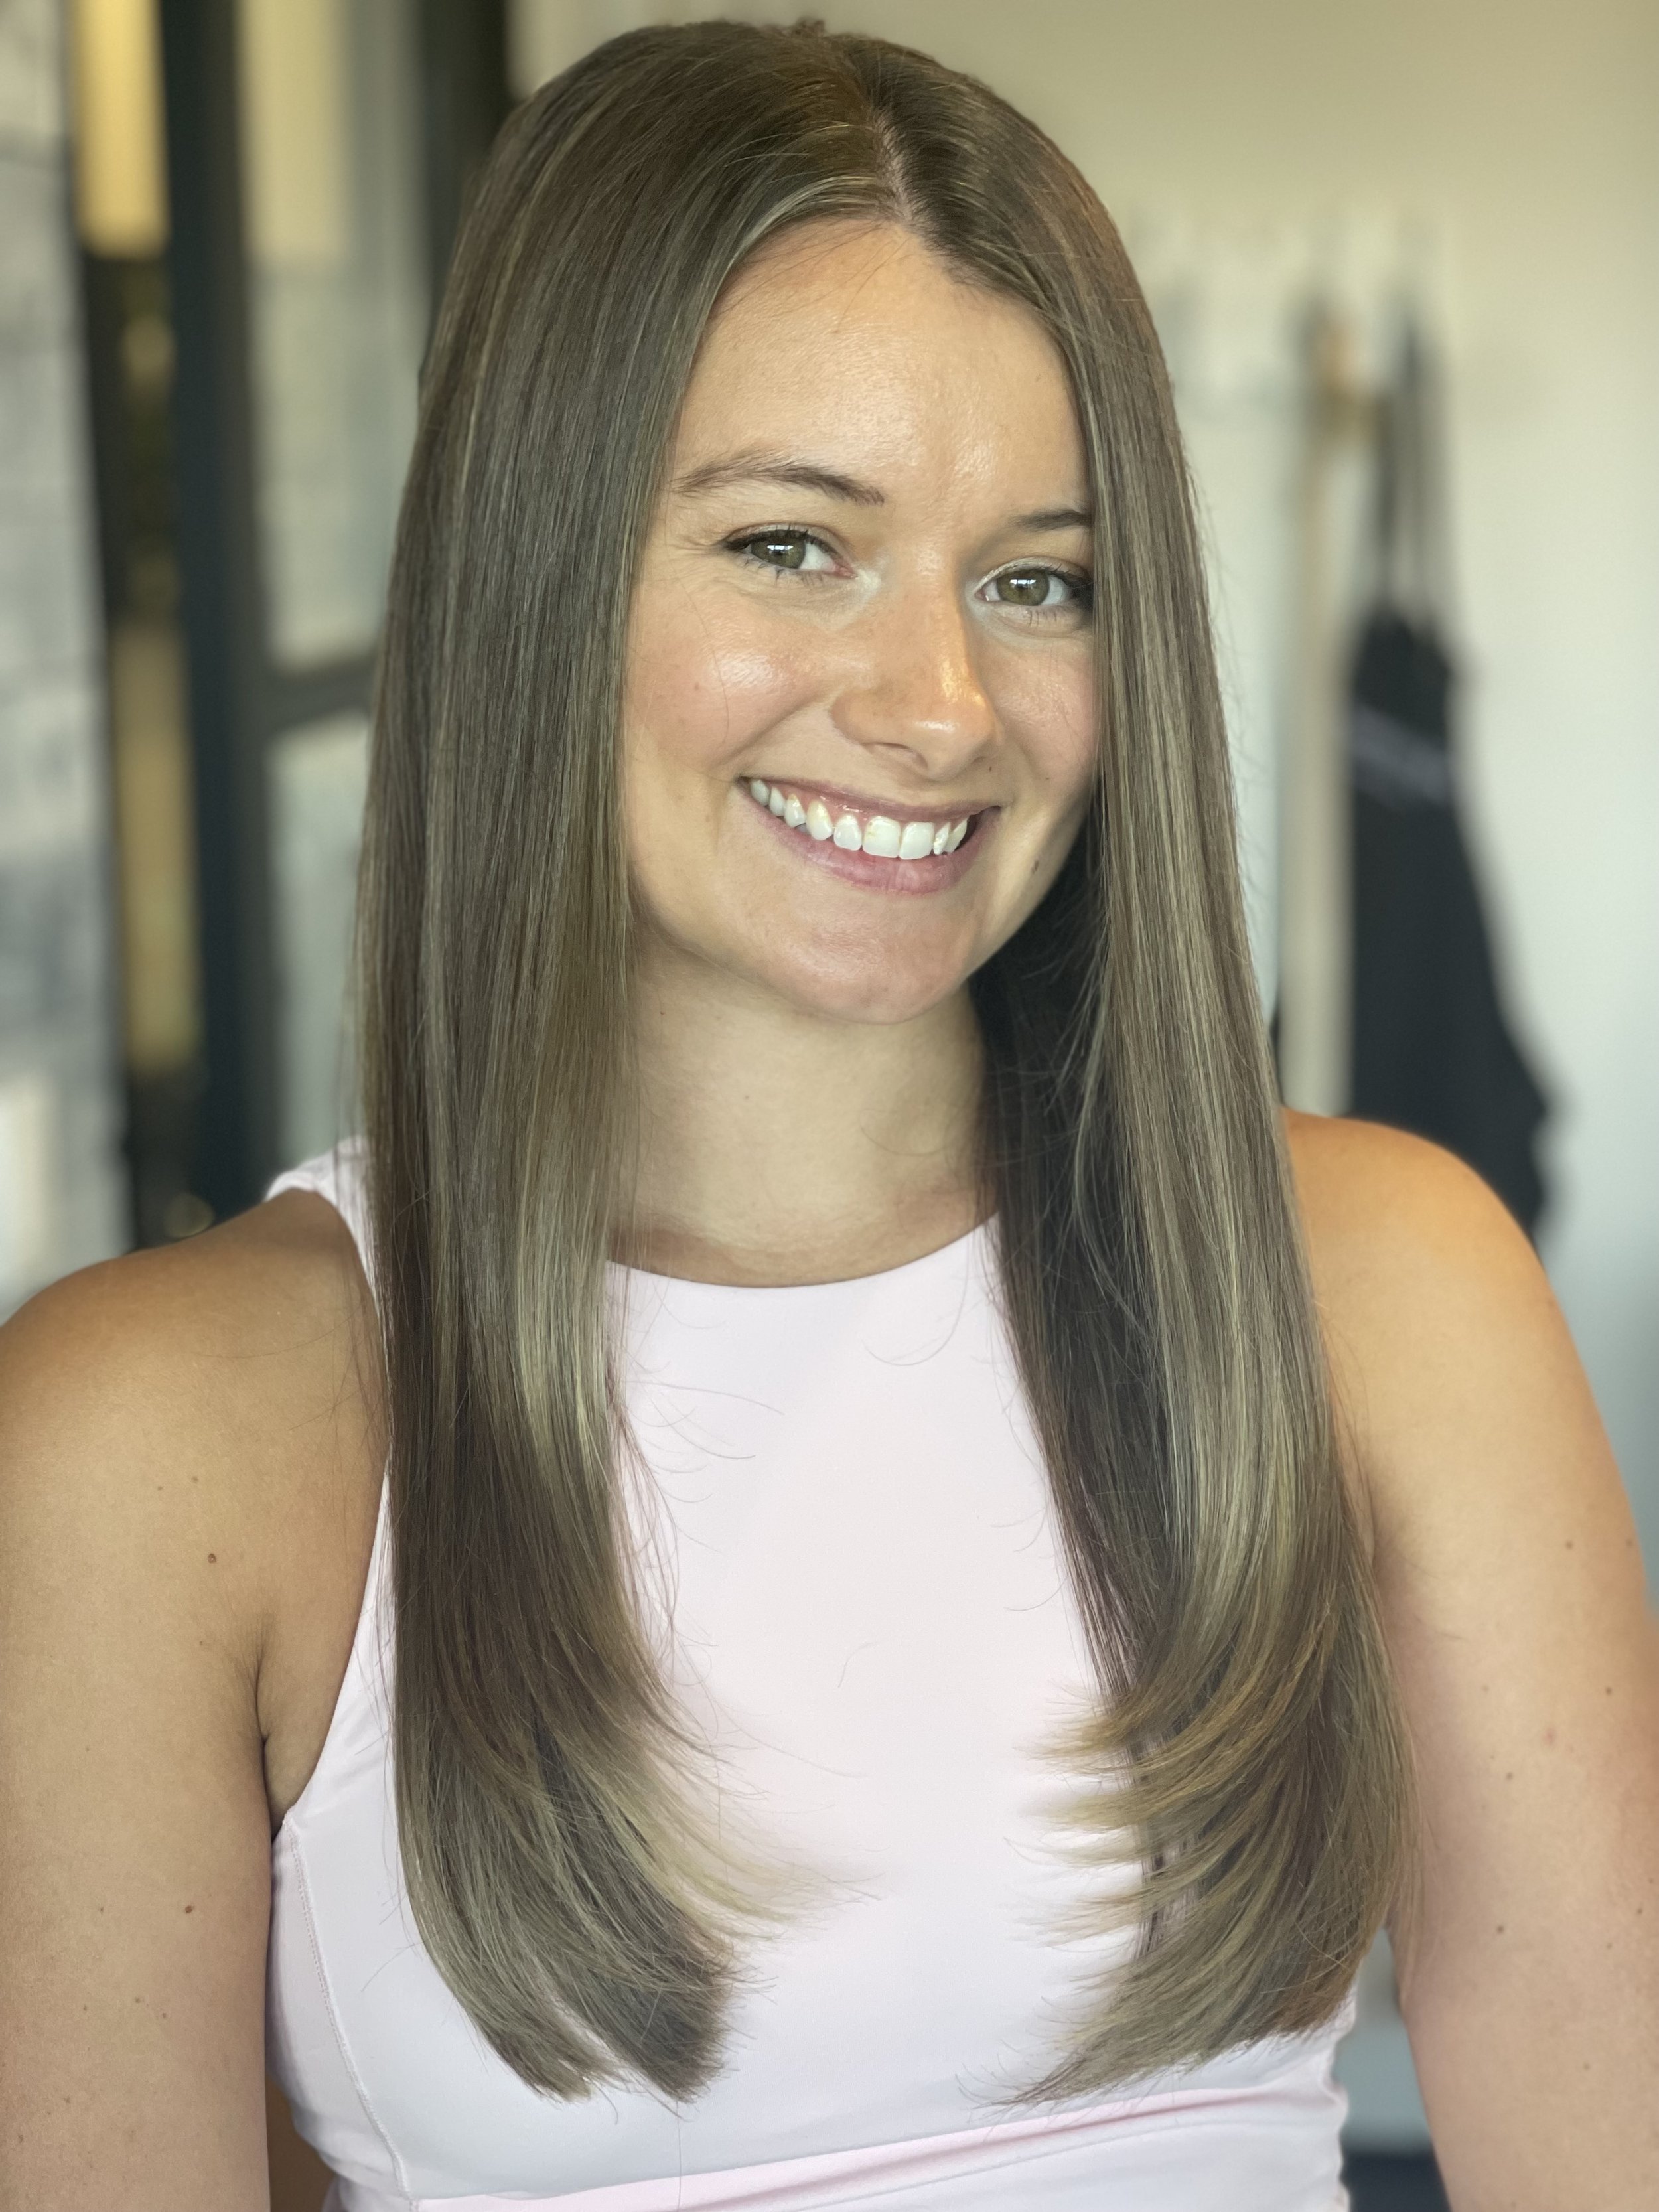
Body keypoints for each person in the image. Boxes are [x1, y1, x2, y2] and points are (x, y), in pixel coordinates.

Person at [1, 22, 1653, 2211]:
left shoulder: (1383, 1287)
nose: (939, 707)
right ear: (528, 573)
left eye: (1035, 580)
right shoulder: (156, 1443)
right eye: (792, 545)